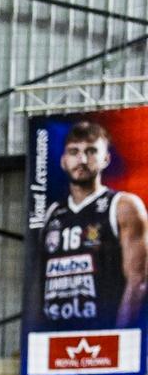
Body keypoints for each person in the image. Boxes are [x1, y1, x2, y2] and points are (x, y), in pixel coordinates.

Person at [37, 120, 148, 330]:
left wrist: (120, 338)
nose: (82, 159)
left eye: (91, 151)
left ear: (105, 158)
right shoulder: (52, 214)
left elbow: (138, 281)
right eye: (74, 151)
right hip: (57, 339)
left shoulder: (123, 205)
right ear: (63, 161)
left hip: (107, 336)